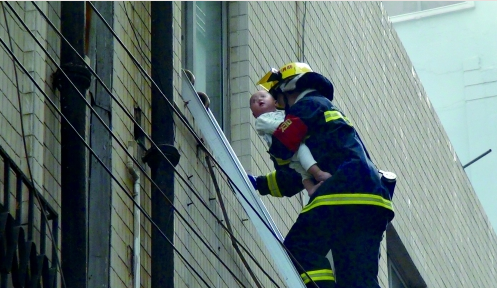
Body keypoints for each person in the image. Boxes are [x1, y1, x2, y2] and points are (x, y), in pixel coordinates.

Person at [256, 62, 395, 288]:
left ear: (290, 87)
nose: (282, 109)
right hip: (373, 201)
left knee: (300, 247)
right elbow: (294, 179)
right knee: (357, 277)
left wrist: (272, 136)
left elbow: (284, 147)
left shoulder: (308, 105)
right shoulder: (325, 113)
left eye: (280, 100)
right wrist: (260, 184)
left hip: (343, 191)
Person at [249, 90, 331, 196]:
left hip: (290, 143)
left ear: (275, 102)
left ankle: (310, 188)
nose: (259, 99)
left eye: (263, 96)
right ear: (254, 114)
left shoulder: (284, 113)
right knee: (301, 149)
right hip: (285, 145)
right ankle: (318, 173)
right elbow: (277, 127)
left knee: (301, 170)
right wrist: (293, 124)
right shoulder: (261, 120)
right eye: (254, 101)